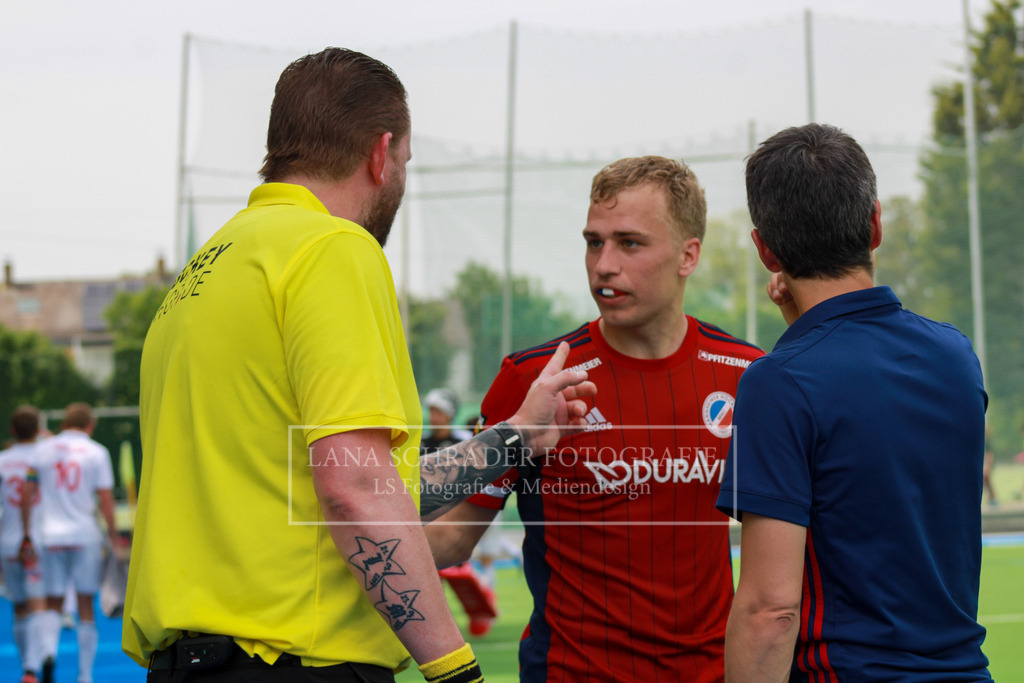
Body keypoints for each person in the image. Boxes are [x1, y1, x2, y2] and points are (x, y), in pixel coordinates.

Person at [122, 47, 594, 683]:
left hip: (191, 663)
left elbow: (363, 481)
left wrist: (518, 436)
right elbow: (356, 490)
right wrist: (454, 668)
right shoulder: (333, 247)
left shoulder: (207, 269)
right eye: (404, 161)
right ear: (380, 153)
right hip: (294, 661)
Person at [428, 155, 764, 681]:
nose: (604, 264)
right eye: (593, 242)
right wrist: (339, 532)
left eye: (629, 243)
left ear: (687, 255)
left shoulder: (748, 375)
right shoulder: (532, 380)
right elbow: (453, 536)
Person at [716, 123, 992, 681]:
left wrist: (799, 349)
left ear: (766, 250)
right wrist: (805, 334)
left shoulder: (777, 383)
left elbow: (770, 611)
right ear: (875, 224)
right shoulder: (955, 355)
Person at [24, 402, 121, 683]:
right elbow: (105, 499)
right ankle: (85, 675)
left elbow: (28, 493)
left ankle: (49, 654)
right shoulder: (97, 452)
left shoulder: (41, 450)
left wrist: (29, 532)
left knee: (52, 602)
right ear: (90, 426)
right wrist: (114, 535)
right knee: (85, 603)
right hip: (84, 535)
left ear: (64, 422)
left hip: (50, 535)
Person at [1, 405, 46, 683]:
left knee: (19, 605)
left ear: (12, 430)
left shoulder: (2, 459)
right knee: (40, 604)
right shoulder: (46, 457)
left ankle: (25, 667)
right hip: (40, 540)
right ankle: (32, 666)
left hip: (8, 540)